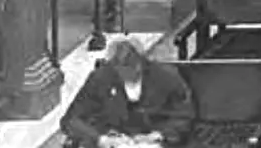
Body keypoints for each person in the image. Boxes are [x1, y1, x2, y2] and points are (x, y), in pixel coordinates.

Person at [61, 39, 193, 147]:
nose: (128, 73)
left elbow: (185, 116)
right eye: (121, 70)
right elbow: (71, 120)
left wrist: (159, 135)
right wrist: (100, 139)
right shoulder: (101, 78)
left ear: (142, 62)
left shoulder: (166, 77)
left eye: (133, 67)